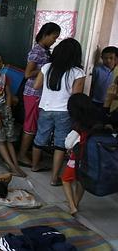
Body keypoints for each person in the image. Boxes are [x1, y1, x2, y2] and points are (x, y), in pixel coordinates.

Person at [32, 38, 85, 186]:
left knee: (40, 138)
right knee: (60, 144)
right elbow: (76, 97)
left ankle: (35, 166)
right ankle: (54, 178)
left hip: (45, 108)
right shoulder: (78, 72)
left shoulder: (47, 67)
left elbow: (36, 86)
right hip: (64, 111)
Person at [18, 22, 60, 167]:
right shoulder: (37, 51)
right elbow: (28, 74)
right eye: (54, 37)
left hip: (40, 94)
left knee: (34, 125)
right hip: (33, 93)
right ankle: (22, 155)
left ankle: (27, 152)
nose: (55, 40)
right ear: (45, 34)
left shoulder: (45, 51)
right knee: (30, 125)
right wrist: (45, 69)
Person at [62, 93, 105, 215]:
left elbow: (68, 144)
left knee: (65, 180)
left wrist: (69, 148)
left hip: (76, 159)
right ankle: (76, 202)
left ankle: (72, 206)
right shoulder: (96, 122)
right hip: (90, 159)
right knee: (81, 181)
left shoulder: (77, 126)